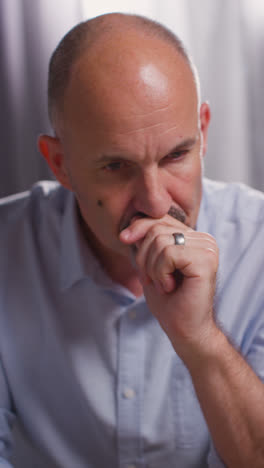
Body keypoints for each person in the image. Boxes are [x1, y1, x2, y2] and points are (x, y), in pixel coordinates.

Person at [1, 12, 264, 468]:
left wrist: (200, 339)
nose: (158, 204)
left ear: (202, 133)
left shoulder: (259, 245)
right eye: (116, 167)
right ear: (60, 163)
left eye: (176, 155)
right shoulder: (8, 249)